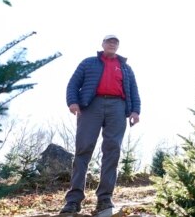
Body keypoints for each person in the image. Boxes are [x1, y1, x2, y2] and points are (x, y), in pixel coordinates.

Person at [59, 34, 141, 215]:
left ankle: (104, 198)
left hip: (118, 108)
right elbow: (73, 84)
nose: (112, 44)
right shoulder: (88, 63)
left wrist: (135, 111)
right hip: (91, 106)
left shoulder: (126, 68)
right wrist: (72, 102)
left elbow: (134, 91)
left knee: (113, 151)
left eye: (115, 42)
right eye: (109, 41)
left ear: (118, 46)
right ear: (102, 44)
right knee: (83, 149)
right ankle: (73, 200)